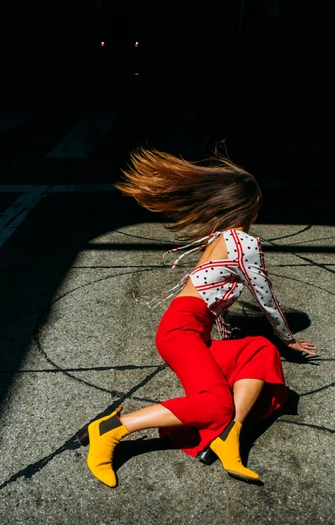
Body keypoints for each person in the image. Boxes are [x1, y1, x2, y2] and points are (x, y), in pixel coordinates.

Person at [77, 147, 316, 488]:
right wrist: (287, 338)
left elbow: (216, 300)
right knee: (216, 404)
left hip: (191, 330)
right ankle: (111, 429)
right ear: (248, 205)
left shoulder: (220, 239)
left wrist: (243, 343)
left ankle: (228, 436)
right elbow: (266, 297)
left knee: (260, 351)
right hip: (180, 330)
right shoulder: (243, 242)